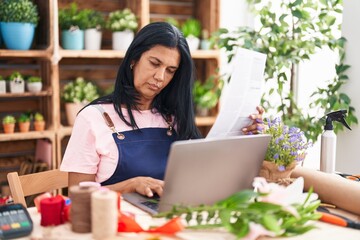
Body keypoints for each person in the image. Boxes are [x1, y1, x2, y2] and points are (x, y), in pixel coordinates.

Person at [60, 22, 264, 197]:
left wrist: (245, 135)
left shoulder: (173, 117)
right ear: (133, 59)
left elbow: (203, 176)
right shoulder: (93, 118)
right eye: (154, 63)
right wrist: (129, 186)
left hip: (166, 222)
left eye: (170, 70)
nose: (160, 77)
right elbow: (77, 196)